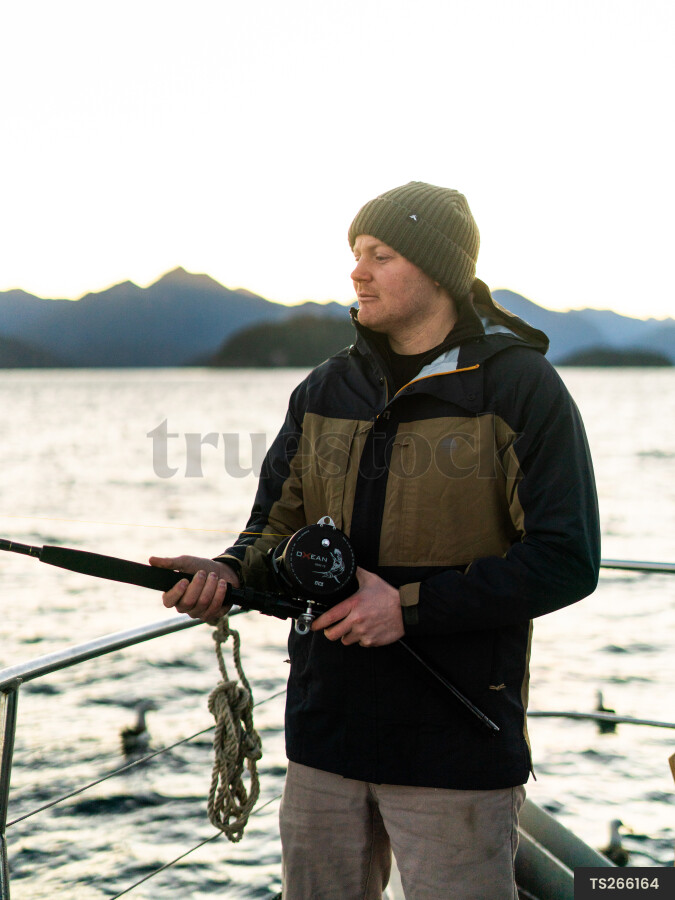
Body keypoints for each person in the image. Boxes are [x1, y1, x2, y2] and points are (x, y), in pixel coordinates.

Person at [150, 181, 600, 899]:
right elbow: (272, 526)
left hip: (454, 745)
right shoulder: (325, 387)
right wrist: (229, 571)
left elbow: (565, 559)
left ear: (438, 272)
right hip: (325, 737)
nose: (356, 271)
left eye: (379, 254)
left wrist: (408, 608)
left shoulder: (520, 388)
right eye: (355, 253)